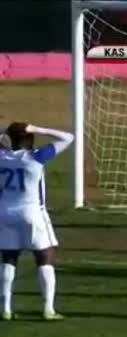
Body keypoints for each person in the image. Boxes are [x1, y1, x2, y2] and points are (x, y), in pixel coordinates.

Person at [0, 122, 73, 321]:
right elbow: (68, 137)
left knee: (8, 259)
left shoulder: (2, 156)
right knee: (44, 256)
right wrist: (39, 129)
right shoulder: (36, 157)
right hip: (32, 213)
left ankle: (5, 308)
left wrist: (6, 131)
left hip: (5, 212)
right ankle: (48, 309)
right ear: (30, 139)